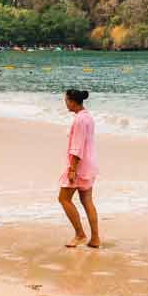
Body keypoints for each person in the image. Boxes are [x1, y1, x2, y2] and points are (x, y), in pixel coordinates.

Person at [58, 88, 100, 248]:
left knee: (63, 198)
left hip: (80, 166)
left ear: (72, 101)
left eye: (66, 100)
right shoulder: (88, 117)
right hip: (89, 164)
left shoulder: (79, 120)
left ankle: (80, 234)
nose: (65, 103)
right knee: (87, 201)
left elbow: (77, 147)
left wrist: (72, 169)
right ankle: (95, 238)